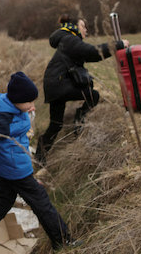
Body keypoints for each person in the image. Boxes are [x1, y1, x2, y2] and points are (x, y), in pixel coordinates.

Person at [0, 72, 82, 250]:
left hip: (7, 165)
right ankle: (63, 240)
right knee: (41, 201)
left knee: (6, 198)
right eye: (29, 102)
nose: (32, 106)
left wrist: (26, 110)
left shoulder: (11, 106)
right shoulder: (4, 117)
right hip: (16, 169)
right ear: (17, 100)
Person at [35, 14, 129, 165]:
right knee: (93, 95)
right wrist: (118, 44)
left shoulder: (67, 40)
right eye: (83, 26)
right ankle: (79, 122)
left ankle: (40, 157)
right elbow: (93, 52)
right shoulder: (70, 40)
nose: (86, 30)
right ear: (74, 27)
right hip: (59, 85)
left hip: (55, 85)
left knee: (56, 124)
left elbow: (93, 56)